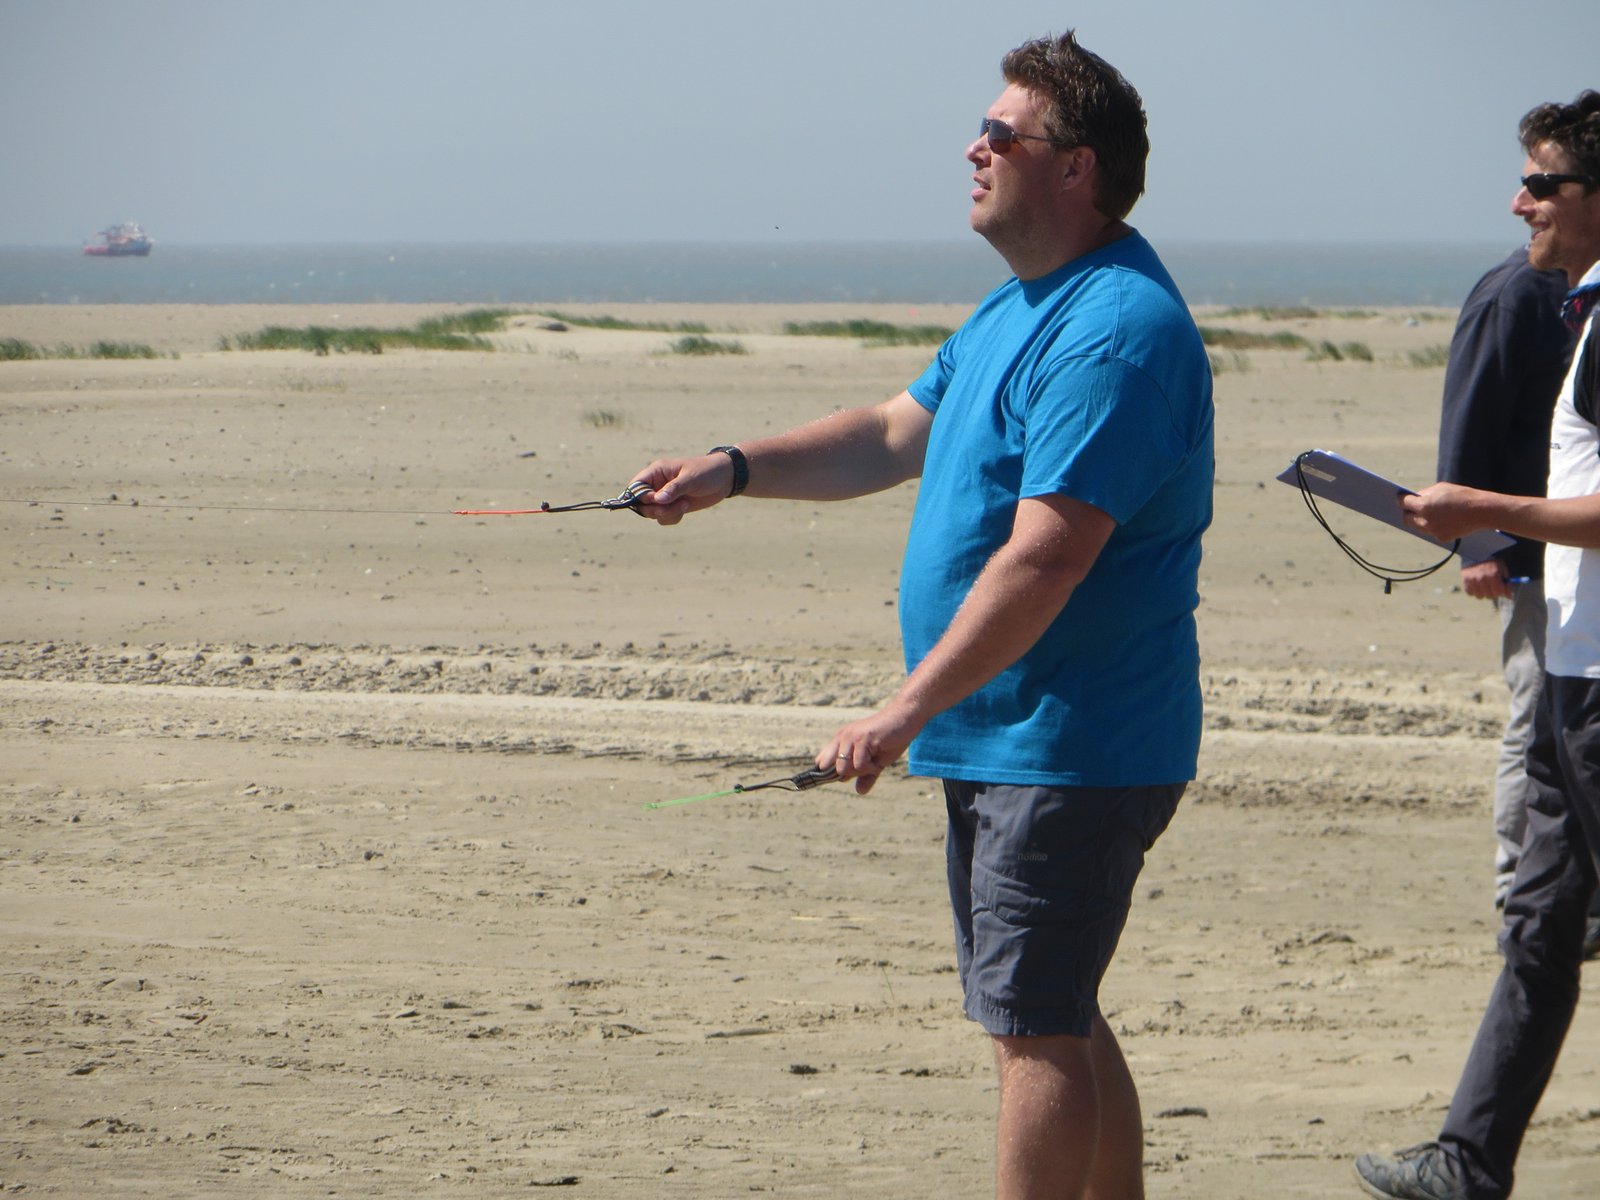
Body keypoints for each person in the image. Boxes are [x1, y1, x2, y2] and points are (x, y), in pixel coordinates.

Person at [631, 31, 1213, 1200]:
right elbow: (893, 432)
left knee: (1034, 1028)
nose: (972, 147)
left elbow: (1045, 560)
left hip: (1067, 740)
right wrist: (732, 469)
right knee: (1050, 1011)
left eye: (1002, 133)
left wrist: (901, 711)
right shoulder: (1020, 307)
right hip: (1008, 734)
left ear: (1076, 167)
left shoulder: (1112, 332)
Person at [1355, 90, 1600, 1200]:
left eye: (1543, 183)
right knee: (1540, 924)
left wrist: (1482, 514)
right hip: (1568, 667)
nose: (1520, 202)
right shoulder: (1562, 305)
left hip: (1594, 677)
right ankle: (1468, 1159)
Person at [1435, 250, 1576, 917]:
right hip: (1529, 554)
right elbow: (1472, 409)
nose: (1524, 205)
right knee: (1540, 709)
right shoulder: (1515, 293)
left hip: (1581, 542)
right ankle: (1518, 881)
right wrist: (1475, 547)